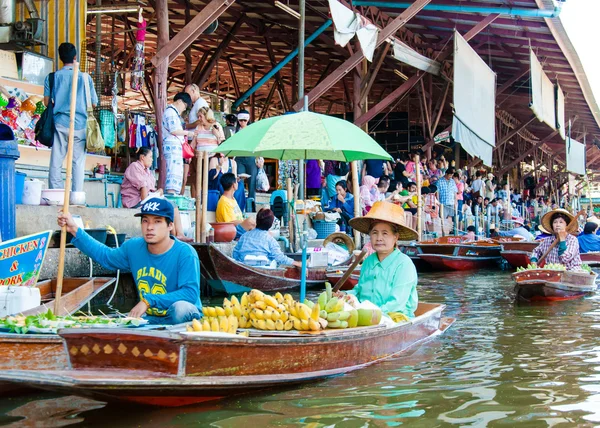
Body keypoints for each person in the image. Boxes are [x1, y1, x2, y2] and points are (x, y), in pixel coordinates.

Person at [57, 198, 202, 324]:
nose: (149, 227)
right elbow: (105, 256)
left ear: (170, 226)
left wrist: (149, 301)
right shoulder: (133, 247)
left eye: (157, 221)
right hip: (150, 319)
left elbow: (190, 293)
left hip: (183, 318)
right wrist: (74, 229)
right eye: (145, 221)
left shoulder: (185, 253)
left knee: (180, 309)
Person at [337, 201, 419, 318]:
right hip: (365, 317)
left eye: (385, 233)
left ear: (395, 237)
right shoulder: (368, 262)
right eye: (375, 233)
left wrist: (372, 315)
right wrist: (345, 295)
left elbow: (397, 304)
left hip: (395, 318)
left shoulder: (404, 264)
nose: (379, 238)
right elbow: (360, 290)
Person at [45, 42, 98, 192]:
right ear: (75, 57)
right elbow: (93, 104)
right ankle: (76, 194)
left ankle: (55, 193)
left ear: (60, 58)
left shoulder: (52, 77)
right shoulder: (85, 78)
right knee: (77, 162)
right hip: (80, 125)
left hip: (60, 123)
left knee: (56, 159)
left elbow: (47, 102)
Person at [233, 208, 302, 267]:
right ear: (271, 224)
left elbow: (235, 253)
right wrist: (297, 263)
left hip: (244, 267)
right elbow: (280, 258)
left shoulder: (244, 236)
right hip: (264, 269)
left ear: (257, 220)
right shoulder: (270, 240)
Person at [162, 92, 193, 195]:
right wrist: (188, 133)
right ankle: (171, 193)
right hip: (172, 147)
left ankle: (173, 192)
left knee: (176, 171)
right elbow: (174, 130)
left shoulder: (173, 113)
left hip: (175, 147)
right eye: (185, 106)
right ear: (179, 101)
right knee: (173, 170)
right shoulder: (170, 112)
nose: (184, 109)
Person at [182, 84, 209, 195]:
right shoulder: (195, 105)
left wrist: (187, 126)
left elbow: (201, 120)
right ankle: (194, 197)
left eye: (188, 93)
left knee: (197, 172)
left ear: (194, 91)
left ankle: (197, 197)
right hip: (192, 141)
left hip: (196, 142)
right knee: (193, 173)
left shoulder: (201, 103)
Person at [215, 172, 256, 239]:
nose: (238, 183)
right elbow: (230, 222)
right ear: (233, 185)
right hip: (230, 230)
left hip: (237, 228)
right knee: (250, 221)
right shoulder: (224, 202)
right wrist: (245, 222)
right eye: (236, 182)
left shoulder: (232, 199)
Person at [234, 109, 258, 203]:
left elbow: (257, 144)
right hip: (239, 157)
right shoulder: (235, 131)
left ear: (248, 120)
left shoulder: (253, 130)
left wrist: (259, 158)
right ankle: (240, 203)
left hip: (251, 157)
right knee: (239, 181)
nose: (243, 122)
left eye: (245, 120)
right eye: (241, 120)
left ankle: (251, 205)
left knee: (252, 182)